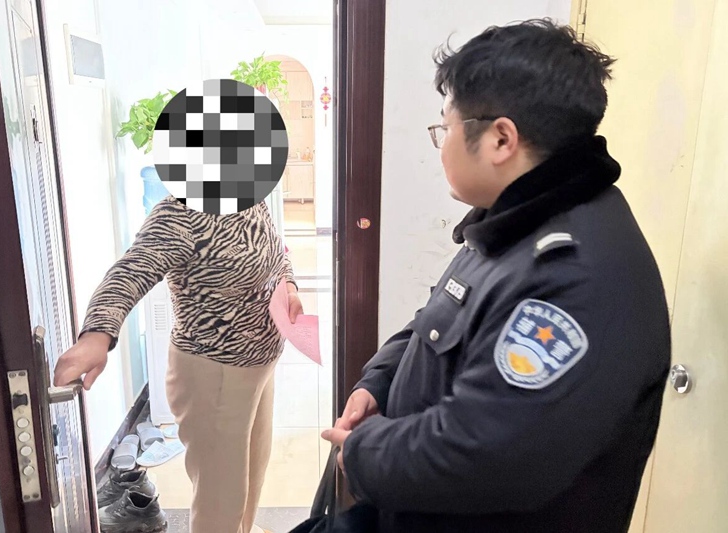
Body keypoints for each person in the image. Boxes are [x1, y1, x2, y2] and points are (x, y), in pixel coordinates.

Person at [322, 19, 671, 533]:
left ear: (501, 139)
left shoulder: (574, 277)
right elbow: (437, 320)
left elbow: (485, 452)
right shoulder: (515, 220)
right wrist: (379, 381)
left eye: (444, 128)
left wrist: (362, 452)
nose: (440, 144)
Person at [54, 195, 302, 533]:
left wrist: (290, 287)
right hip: (214, 375)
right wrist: (97, 334)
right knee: (222, 500)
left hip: (259, 367)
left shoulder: (248, 196)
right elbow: (131, 271)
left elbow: (276, 252)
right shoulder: (180, 213)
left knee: (250, 479)